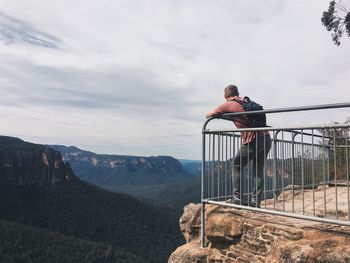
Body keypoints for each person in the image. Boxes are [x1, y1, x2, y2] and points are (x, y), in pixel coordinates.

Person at [206, 84, 271, 208]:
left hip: (253, 139)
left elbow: (209, 114)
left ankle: (237, 197)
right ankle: (255, 202)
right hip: (266, 138)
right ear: (238, 93)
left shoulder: (228, 104)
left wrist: (220, 114)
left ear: (225, 96)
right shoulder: (246, 101)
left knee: (236, 165)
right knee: (258, 170)